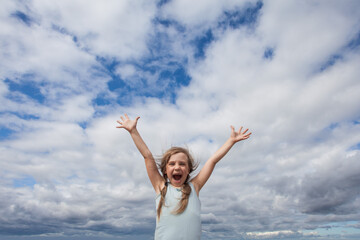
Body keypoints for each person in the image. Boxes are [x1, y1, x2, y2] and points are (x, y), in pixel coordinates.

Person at [117, 114, 251, 240]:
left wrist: (231, 141)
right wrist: (133, 131)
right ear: (164, 170)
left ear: (188, 170)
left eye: (182, 164)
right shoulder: (161, 187)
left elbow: (212, 161)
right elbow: (147, 156)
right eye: (172, 164)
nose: (177, 167)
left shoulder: (194, 187)